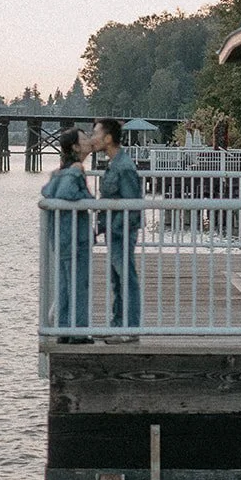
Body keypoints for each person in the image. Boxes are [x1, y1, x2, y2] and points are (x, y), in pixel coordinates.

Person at [41, 128, 94, 342]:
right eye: (84, 138)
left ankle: (63, 330)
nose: (89, 140)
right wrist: (88, 199)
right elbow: (67, 193)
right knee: (79, 284)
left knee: (64, 284)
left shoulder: (58, 173)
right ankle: (79, 332)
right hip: (74, 236)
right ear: (75, 146)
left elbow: (48, 191)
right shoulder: (75, 170)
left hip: (61, 236)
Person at [94, 117, 143, 337]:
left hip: (121, 232)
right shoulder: (114, 163)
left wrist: (116, 228)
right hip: (113, 231)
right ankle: (117, 325)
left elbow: (132, 204)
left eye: (97, 134)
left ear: (108, 138)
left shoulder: (124, 166)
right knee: (117, 280)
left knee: (127, 279)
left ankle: (130, 329)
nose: (93, 138)